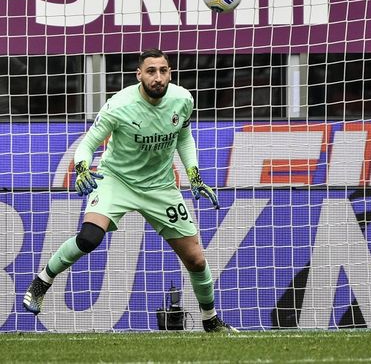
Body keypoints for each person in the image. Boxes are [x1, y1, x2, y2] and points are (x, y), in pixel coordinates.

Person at [23, 49, 237, 333]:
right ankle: (43, 281)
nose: (158, 77)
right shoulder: (119, 105)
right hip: (117, 181)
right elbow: (86, 145)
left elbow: (184, 137)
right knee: (89, 237)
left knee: (196, 260)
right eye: (151, 71)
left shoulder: (183, 99)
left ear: (170, 73)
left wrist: (193, 174)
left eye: (163, 70)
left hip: (160, 186)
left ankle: (210, 320)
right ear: (139, 74)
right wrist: (83, 168)